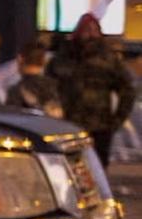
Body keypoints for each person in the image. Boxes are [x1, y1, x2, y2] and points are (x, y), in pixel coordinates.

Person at [50, 16, 134, 156]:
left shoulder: (108, 59)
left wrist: (116, 120)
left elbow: (128, 90)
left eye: (94, 30)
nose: (90, 34)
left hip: (99, 128)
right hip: (67, 126)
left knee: (97, 165)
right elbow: (48, 88)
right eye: (86, 29)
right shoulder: (62, 58)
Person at [4, 37, 62, 117]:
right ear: (44, 61)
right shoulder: (57, 86)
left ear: (20, 59)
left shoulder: (15, 91)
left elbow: (10, 119)